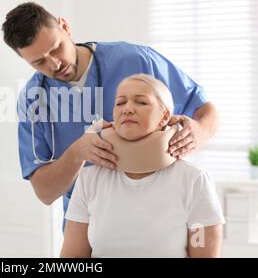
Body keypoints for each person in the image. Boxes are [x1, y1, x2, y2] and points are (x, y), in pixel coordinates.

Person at [1, 2, 219, 226]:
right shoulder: (33, 100)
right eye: (39, 62)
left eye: (56, 48)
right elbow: (45, 192)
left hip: (159, 217)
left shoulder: (136, 60)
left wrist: (200, 131)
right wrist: (77, 153)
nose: (54, 64)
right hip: (87, 229)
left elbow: (205, 109)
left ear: (65, 26)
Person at [61, 74, 225, 258]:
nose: (127, 109)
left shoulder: (193, 180)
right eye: (120, 103)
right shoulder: (89, 178)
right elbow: (72, 258)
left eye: (141, 102)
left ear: (164, 117)